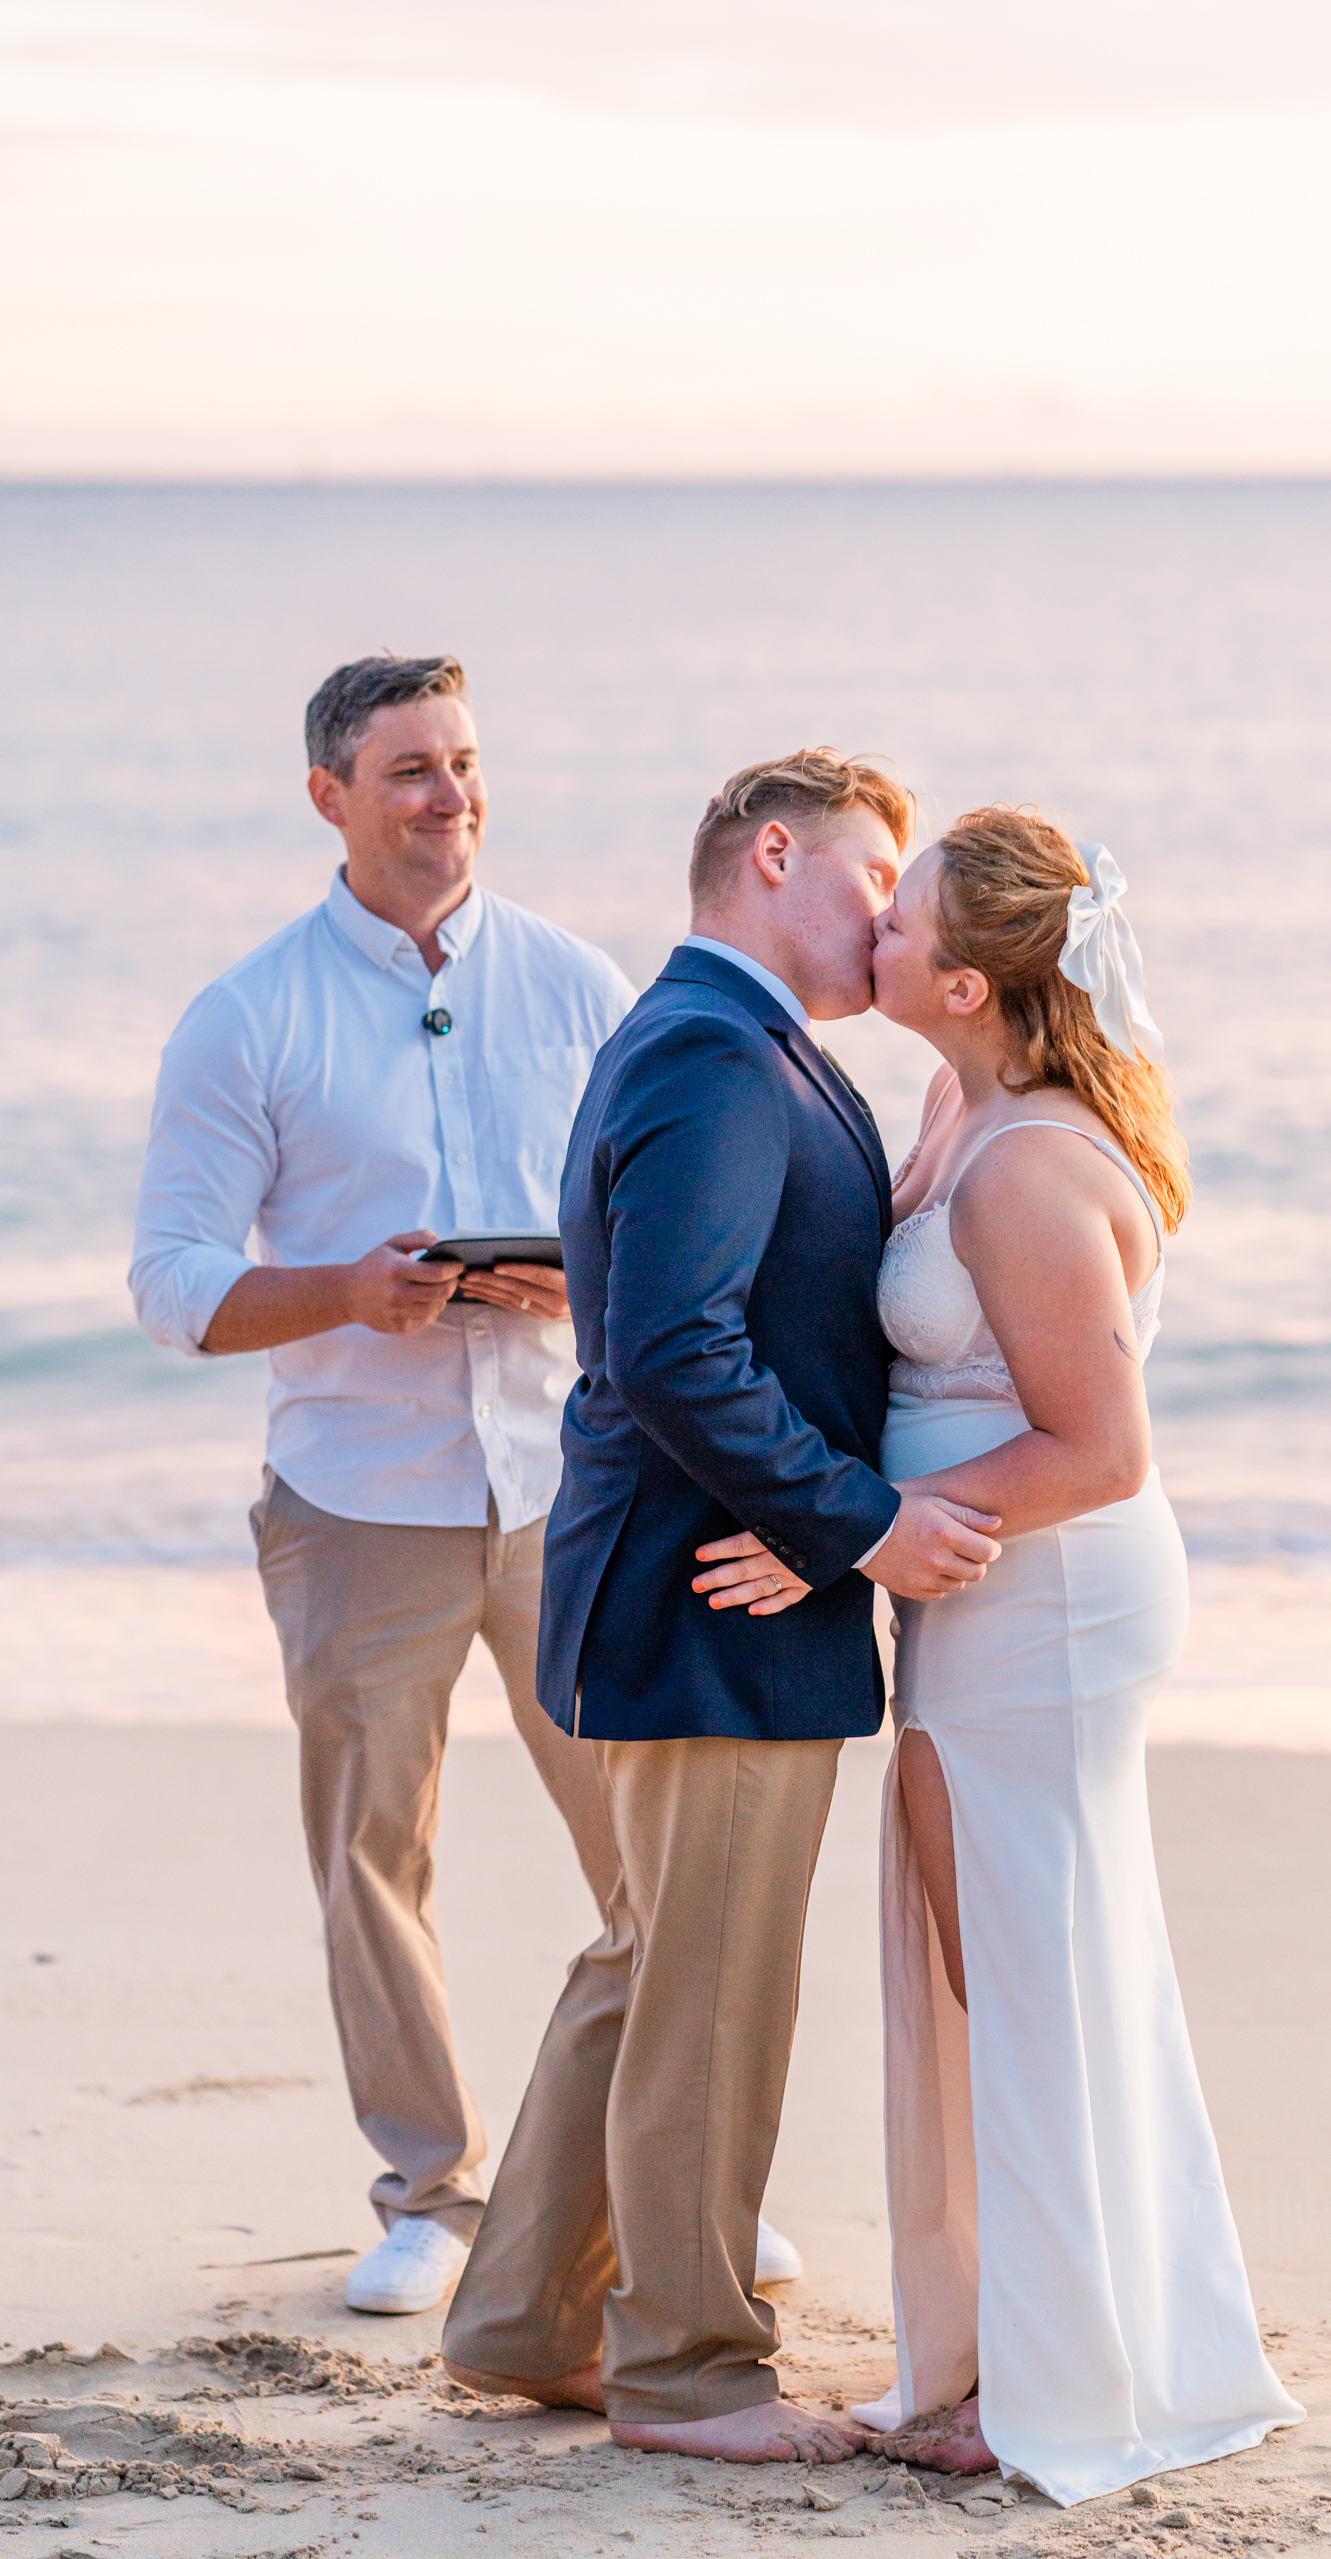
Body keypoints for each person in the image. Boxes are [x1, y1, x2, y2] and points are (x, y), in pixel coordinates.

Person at [699, 807, 1304, 2503]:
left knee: (1019, 1978)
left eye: (901, 918)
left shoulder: (1032, 1162)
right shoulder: (960, 1102)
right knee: (997, 1969)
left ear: (962, 984)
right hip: (981, 1590)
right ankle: (1015, 2346)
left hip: (1045, 1603)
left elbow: (1101, 1449)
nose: (869, 922)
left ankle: (1050, 2381)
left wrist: (839, 1520)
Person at [441, 749, 1002, 2463]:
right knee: (710, 1987)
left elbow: (738, 1319)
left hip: (703, 1577)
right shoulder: (709, 1047)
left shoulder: (747, 1047)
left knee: (645, 1961)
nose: (893, 913)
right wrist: (858, 1529)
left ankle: (530, 2317)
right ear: (776, 857)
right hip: (715, 1595)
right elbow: (677, 1347)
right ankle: (690, 2368)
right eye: (874, 877)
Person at [129, 653, 645, 2319]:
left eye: (467, 760)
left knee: (646, 1837)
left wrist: (589, 1280)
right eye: (411, 768)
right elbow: (175, 1282)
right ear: (330, 797)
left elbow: (673, 1225)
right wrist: (351, 1291)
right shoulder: (249, 1013)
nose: (452, 795)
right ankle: (434, 2192)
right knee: (374, 1855)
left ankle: (662, 2166)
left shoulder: (583, 986)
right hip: (357, 1494)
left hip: (567, 1486)